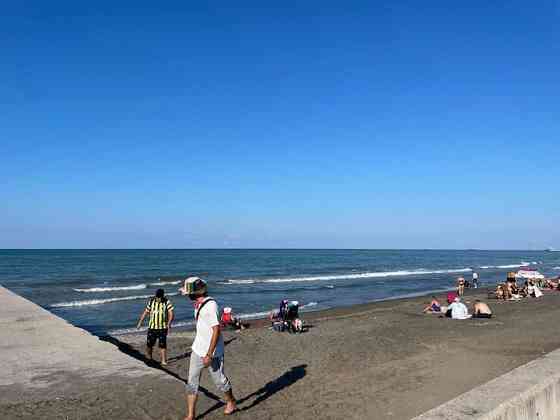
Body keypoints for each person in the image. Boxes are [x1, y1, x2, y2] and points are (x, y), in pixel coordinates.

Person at [180, 277, 237, 420]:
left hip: (212, 352)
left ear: (195, 293)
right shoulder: (198, 304)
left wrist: (209, 354)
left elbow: (216, 330)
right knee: (192, 381)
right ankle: (191, 415)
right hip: (197, 349)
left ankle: (231, 401)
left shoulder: (211, 306)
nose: (186, 295)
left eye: (188, 293)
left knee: (219, 381)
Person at [136, 288, 174, 365]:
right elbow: (146, 312)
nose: (158, 299)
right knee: (149, 344)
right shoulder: (151, 302)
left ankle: (163, 360)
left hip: (162, 328)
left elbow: (171, 313)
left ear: (162, 296)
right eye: (157, 297)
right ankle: (149, 358)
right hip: (152, 328)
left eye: (160, 298)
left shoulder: (167, 302)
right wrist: (140, 322)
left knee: (162, 345)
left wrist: (169, 323)